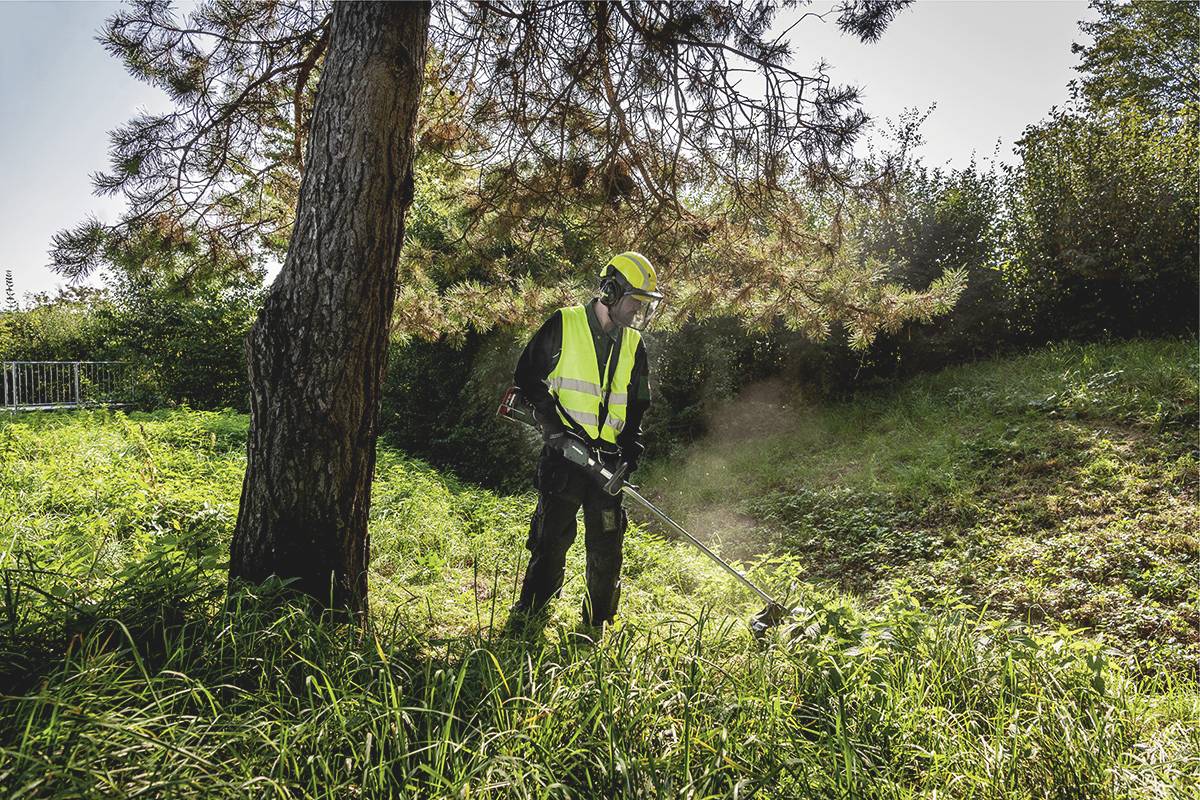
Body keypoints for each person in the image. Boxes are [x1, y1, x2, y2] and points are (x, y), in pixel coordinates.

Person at [508, 251, 662, 629]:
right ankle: (531, 616)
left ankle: (597, 624)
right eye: (634, 301)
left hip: (607, 462)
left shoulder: (633, 344)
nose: (637, 311)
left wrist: (630, 451)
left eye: (644, 304)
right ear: (611, 290)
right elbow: (527, 377)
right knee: (551, 539)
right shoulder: (565, 323)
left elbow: (638, 403)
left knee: (607, 547)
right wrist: (552, 425)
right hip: (564, 457)